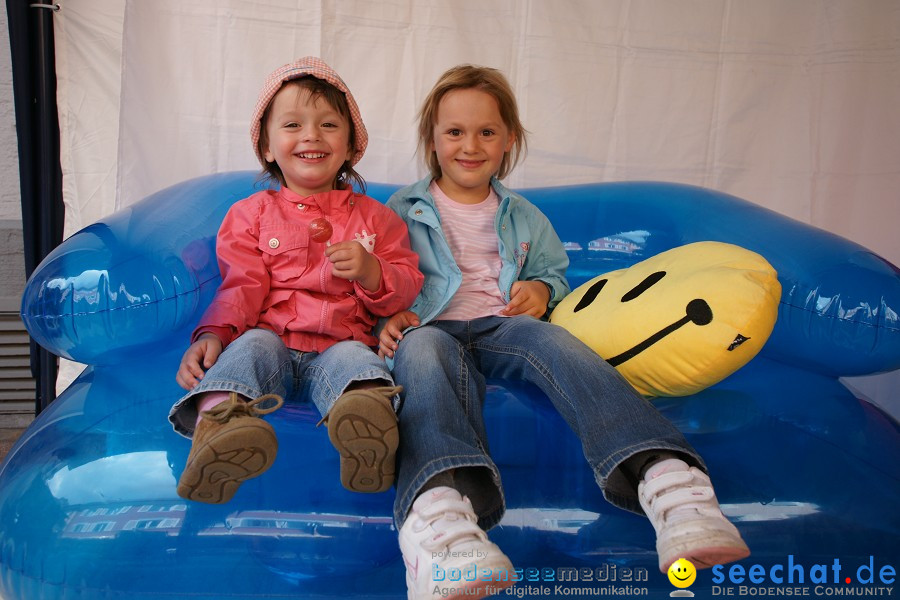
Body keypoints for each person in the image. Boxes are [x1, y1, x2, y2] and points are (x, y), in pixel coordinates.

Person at [378, 64, 750, 599]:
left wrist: (543, 292)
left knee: (557, 341)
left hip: (502, 325)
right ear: (432, 141)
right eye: (454, 132)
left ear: (509, 140)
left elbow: (550, 272)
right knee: (421, 354)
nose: (470, 145)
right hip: (430, 328)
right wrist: (388, 317)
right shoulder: (402, 209)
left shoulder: (524, 216)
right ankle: (439, 529)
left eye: (487, 132)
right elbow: (381, 277)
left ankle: (671, 485)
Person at [169, 57, 423, 504]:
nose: (311, 135)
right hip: (273, 342)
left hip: (341, 346)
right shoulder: (250, 215)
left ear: (351, 146)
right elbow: (240, 287)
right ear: (267, 146)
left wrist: (371, 270)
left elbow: (404, 288)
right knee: (249, 347)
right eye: (292, 124)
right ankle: (219, 430)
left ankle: (365, 433)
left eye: (328, 124)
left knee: (359, 368)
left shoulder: (377, 219)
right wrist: (212, 333)